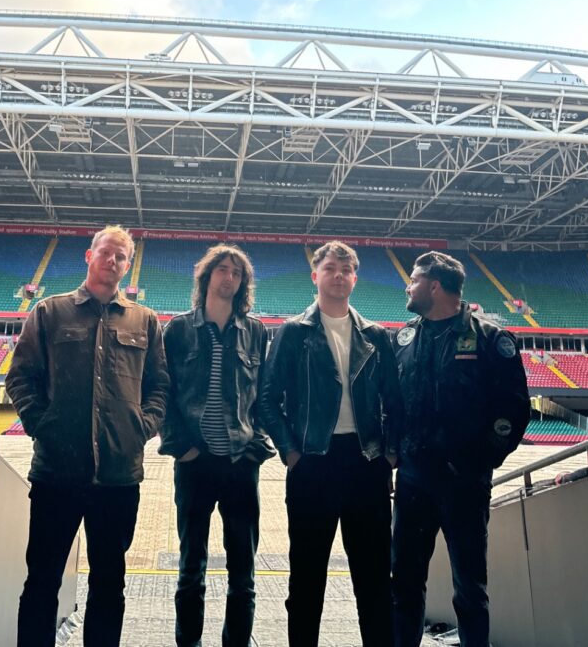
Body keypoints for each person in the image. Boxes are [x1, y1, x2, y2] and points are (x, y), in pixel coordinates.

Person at [6, 226, 169, 647]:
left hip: (118, 477)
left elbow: (159, 386)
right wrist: (43, 427)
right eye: (106, 253)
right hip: (56, 474)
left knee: (109, 587)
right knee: (42, 581)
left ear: (128, 266)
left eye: (121, 257)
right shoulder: (49, 312)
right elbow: (21, 378)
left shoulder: (145, 321)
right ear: (88, 256)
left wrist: (141, 428)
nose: (112, 261)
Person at [260, 240, 402, 647]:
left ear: (355, 279)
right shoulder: (292, 333)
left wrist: (390, 451)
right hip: (312, 463)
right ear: (315, 276)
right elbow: (267, 399)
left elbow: (394, 400)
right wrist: (290, 451)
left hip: (366, 463)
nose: (338, 275)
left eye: (346, 269)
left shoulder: (375, 335)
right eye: (331, 268)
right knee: (306, 578)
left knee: (374, 578)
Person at [390, 251, 530, 647]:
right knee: (403, 584)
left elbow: (513, 412)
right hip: (413, 482)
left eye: (413, 279)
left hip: (464, 485)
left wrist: (476, 464)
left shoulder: (490, 339)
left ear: (434, 286)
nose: (408, 286)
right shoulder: (404, 338)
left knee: (469, 589)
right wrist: (395, 453)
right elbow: (393, 405)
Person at [160, 244, 274, 647]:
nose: (228, 277)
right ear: (206, 276)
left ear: (242, 283)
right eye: (222, 269)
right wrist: (181, 447)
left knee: (243, 571)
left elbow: (264, 396)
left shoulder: (256, 331)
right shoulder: (178, 329)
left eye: (236, 273)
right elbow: (163, 394)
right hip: (194, 463)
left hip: (241, 463)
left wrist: (256, 445)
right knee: (192, 568)